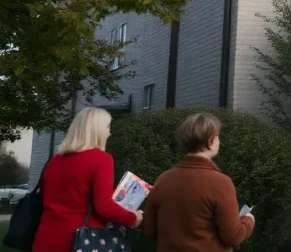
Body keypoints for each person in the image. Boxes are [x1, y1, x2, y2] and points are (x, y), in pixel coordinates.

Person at [32, 107, 142, 252]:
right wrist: (133, 217)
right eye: (108, 127)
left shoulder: (54, 161)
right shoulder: (101, 159)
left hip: (45, 239)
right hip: (82, 241)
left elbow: (43, 197)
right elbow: (103, 206)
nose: (110, 133)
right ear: (97, 130)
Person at [143, 112, 255, 251]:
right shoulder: (221, 183)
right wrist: (248, 220)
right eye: (218, 137)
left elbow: (149, 229)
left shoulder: (163, 179)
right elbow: (233, 236)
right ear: (210, 140)